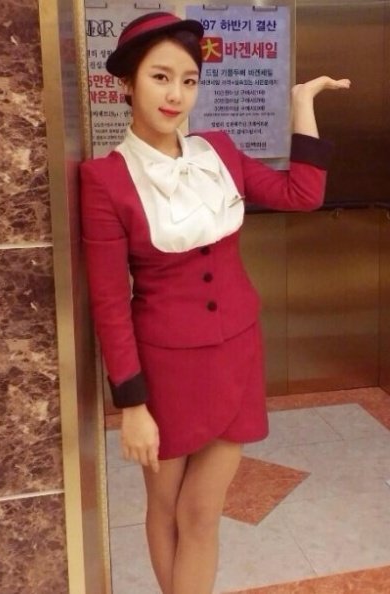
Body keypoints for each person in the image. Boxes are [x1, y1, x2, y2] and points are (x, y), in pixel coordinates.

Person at [80, 11, 350, 594]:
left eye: (189, 80)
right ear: (126, 82)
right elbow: (109, 301)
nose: (175, 95)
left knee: (203, 510)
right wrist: (132, 404)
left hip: (237, 354)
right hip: (166, 369)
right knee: (166, 506)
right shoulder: (104, 179)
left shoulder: (218, 152)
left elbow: (301, 194)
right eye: (160, 77)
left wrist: (302, 103)